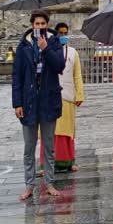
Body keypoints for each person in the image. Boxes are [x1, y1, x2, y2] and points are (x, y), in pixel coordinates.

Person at [12, 10, 65, 200]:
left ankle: (49, 182)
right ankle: (29, 184)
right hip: (29, 102)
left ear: (47, 25)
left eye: (43, 24)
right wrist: (17, 103)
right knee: (29, 147)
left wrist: (46, 49)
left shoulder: (54, 42)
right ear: (32, 25)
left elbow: (60, 66)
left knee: (49, 146)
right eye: (37, 24)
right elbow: (17, 76)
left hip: (48, 100)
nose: (40, 27)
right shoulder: (23, 46)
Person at [39, 22, 84, 173]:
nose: (64, 36)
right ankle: (46, 163)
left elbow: (77, 75)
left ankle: (69, 162)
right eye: (61, 33)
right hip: (51, 95)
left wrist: (79, 94)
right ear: (56, 35)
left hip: (68, 96)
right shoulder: (48, 50)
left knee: (67, 130)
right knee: (50, 131)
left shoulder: (73, 53)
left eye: (66, 33)